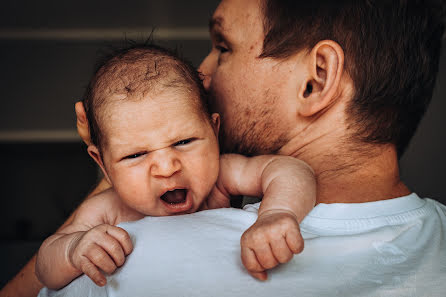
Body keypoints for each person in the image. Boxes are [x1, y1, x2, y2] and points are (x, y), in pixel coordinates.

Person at [2, 0, 446, 296]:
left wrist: (125, 158)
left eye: (223, 47)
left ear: (315, 80)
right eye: (136, 155)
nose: (200, 75)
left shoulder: (126, 267)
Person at [34, 44, 316, 289]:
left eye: (183, 141)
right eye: (135, 155)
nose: (167, 168)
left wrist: (278, 212)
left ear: (213, 131)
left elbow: (290, 170)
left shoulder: (221, 177)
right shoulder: (108, 209)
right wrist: (73, 250)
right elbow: (45, 266)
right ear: (103, 165)